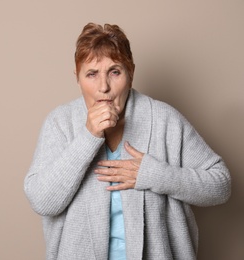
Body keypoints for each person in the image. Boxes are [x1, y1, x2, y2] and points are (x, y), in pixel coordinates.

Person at [24, 22, 231, 260]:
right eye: (91, 74)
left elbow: (221, 185)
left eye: (115, 72)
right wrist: (88, 136)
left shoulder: (165, 120)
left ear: (131, 73)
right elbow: (42, 202)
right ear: (77, 77)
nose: (104, 87)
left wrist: (155, 175)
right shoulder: (60, 123)